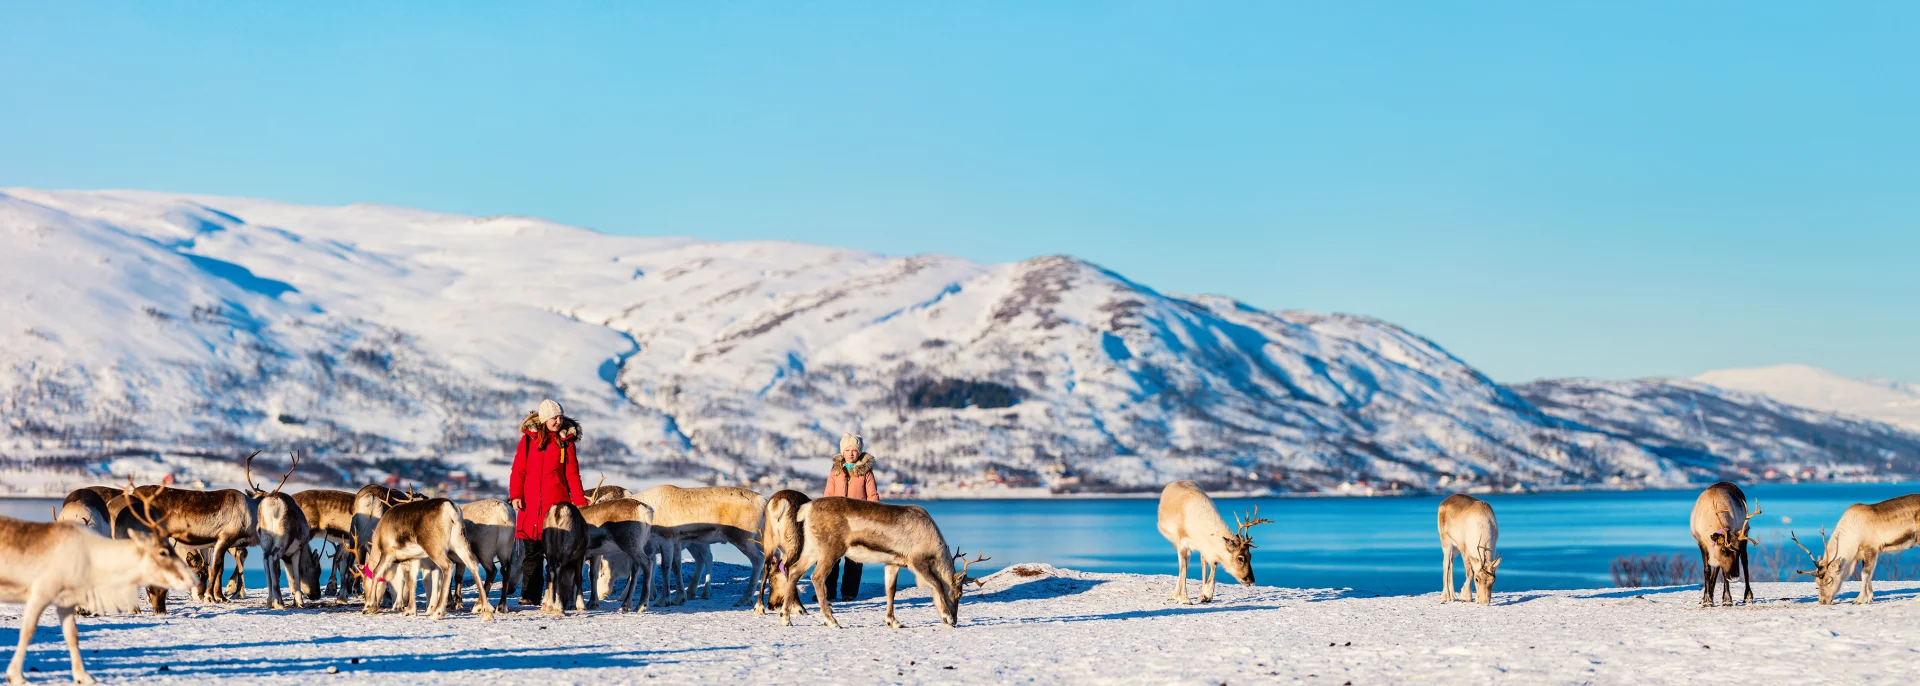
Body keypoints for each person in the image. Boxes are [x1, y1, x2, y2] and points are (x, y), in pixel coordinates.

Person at [509, 399, 588, 606]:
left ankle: (556, 594)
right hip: (530, 506)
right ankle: (530, 595)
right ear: (544, 419)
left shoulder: (566, 442)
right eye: (554, 417)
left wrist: (579, 501)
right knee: (531, 555)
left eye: (560, 417)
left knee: (556, 555)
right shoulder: (527, 441)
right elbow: (518, 470)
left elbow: (572, 473)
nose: (558, 421)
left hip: (556, 508)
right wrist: (516, 495)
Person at [823, 432, 880, 601]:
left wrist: (873, 518)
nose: (851, 453)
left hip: (858, 521)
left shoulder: (866, 473)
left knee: (855, 558)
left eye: (854, 450)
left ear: (859, 451)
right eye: (847, 450)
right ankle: (827, 591)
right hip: (836, 520)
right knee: (830, 557)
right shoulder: (835, 471)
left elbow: (873, 497)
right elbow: (827, 495)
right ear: (842, 452)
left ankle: (849, 593)